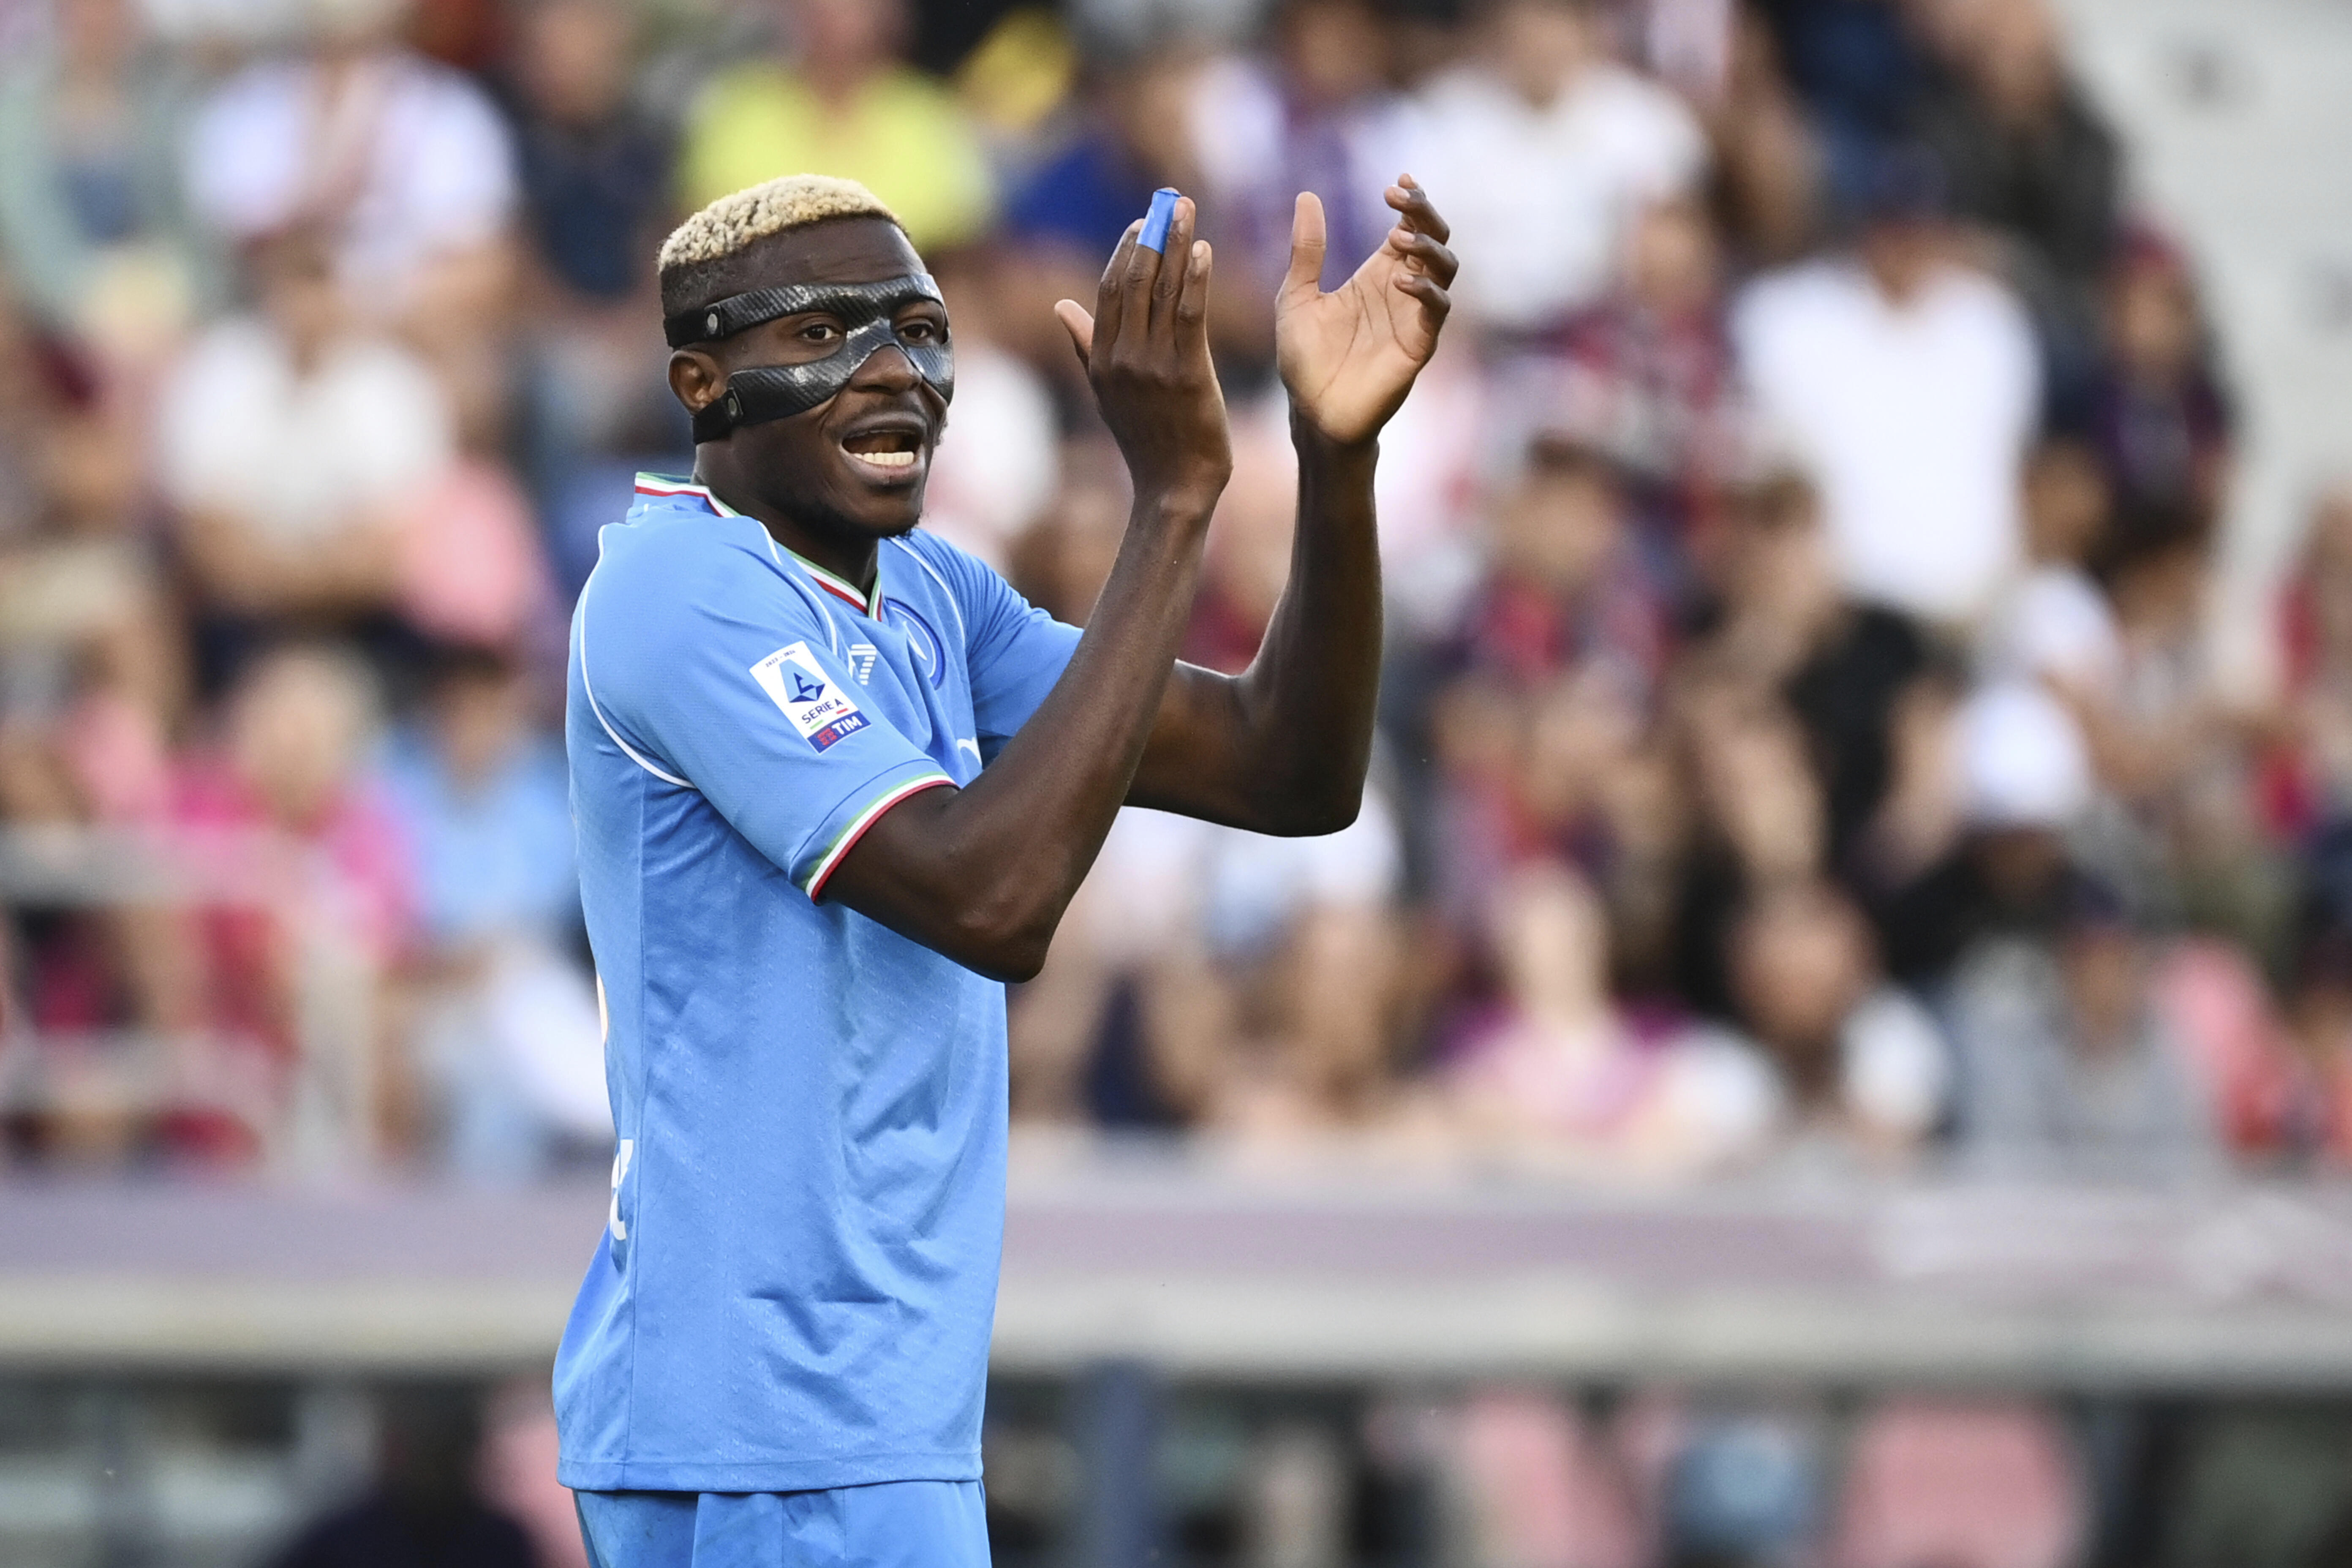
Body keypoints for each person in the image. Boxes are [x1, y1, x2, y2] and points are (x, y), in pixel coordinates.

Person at [554, 170, 1454, 1562]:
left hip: (864, 1417)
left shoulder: (930, 596)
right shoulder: (676, 587)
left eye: (919, 330)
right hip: (765, 1418)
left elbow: (1292, 770)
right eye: (823, 333)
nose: (894, 371)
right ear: (703, 380)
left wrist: (1336, 462)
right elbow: (991, 897)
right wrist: (1172, 501)